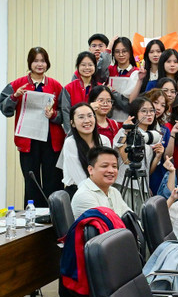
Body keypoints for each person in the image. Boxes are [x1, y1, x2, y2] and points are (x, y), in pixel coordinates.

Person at [1, 47, 66, 205]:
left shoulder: (56, 86)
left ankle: (54, 218)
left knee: (53, 182)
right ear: (30, 63)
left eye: (43, 61)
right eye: (36, 61)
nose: (39, 64)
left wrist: (53, 115)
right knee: (32, 184)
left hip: (52, 142)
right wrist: (14, 97)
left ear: (47, 63)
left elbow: (64, 114)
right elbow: (4, 108)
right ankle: (34, 222)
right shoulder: (17, 84)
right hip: (28, 142)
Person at [59, 103, 111, 194]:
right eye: (81, 117)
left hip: (102, 191)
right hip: (79, 192)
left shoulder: (104, 141)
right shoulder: (70, 143)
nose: (87, 121)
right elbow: (80, 178)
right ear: (72, 123)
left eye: (90, 116)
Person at [71, 146, 131, 218]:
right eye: (105, 166)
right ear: (90, 170)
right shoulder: (84, 196)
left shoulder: (114, 192)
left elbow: (130, 218)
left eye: (114, 166)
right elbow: (103, 226)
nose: (111, 171)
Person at [61, 52, 99, 135]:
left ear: (95, 67)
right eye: (83, 65)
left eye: (90, 65)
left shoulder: (99, 88)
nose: (87, 68)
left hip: (96, 132)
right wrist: (71, 134)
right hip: (74, 133)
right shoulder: (69, 88)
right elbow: (66, 113)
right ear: (77, 67)